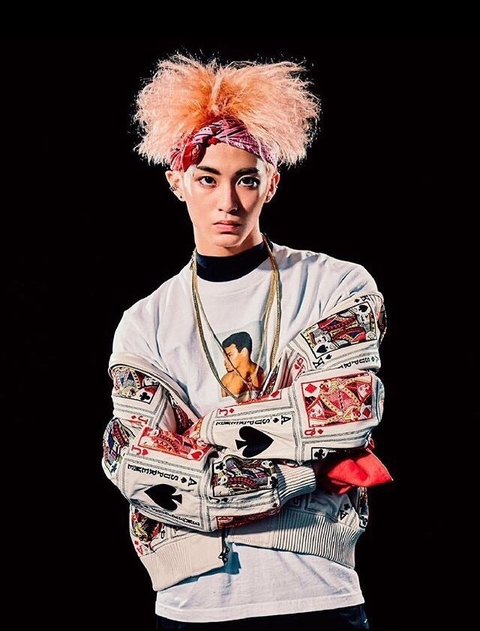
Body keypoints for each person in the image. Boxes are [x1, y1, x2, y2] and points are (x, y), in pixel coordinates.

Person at [102, 54, 391, 630]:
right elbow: (139, 468)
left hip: (316, 596)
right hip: (192, 604)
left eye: (247, 179)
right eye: (207, 179)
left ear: (272, 183)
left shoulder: (337, 285)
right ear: (177, 182)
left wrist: (200, 436)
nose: (228, 202)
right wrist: (304, 469)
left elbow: (342, 421)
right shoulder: (145, 320)